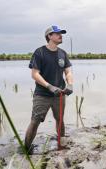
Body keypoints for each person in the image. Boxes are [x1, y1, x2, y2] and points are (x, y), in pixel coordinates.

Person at [24, 25, 73, 154]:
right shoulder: (39, 52)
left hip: (59, 95)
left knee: (60, 120)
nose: (60, 35)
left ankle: (61, 145)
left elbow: (68, 72)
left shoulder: (63, 53)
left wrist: (70, 84)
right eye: (57, 33)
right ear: (49, 36)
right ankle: (26, 148)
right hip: (42, 94)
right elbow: (35, 74)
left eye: (61, 33)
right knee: (35, 121)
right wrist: (49, 86)